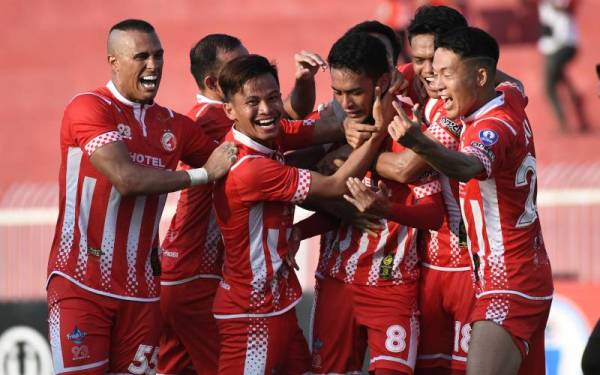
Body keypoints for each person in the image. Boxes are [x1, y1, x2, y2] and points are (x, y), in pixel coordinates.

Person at [45, 19, 236, 374]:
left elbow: (236, 170)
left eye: (159, 56)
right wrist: (202, 174)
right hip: (80, 284)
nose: (153, 65)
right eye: (142, 57)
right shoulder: (88, 107)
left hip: (143, 294)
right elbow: (126, 179)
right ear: (114, 62)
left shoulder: (174, 125)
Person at [385, 26, 553, 375]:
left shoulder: (492, 125)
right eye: (434, 71)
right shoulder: (508, 94)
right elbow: (507, 78)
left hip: (507, 282)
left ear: (479, 76)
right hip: (527, 276)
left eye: (448, 74)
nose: (438, 82)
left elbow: (470, 165)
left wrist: (419, 143)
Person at [212, 53, 395, 374]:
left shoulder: (264, 136)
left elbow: (320, 130)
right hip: (251, 316)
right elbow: (337, 185)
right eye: (252, 102)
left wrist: (349, 123)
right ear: (230, 110)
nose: (267, 110)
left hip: (278, 305)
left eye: (272, 98)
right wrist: (380, 129)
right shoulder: (252, 168)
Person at [157, 33, 327, 375]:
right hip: (200, 276)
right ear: (215, 85)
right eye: (237, 67)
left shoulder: (232, 114)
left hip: (183, 273)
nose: (248, 74)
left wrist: (303, 82)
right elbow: (287, 118)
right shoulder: (215, 118)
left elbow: (287, 117)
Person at [538, 0, 589, 132]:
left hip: (563, 46)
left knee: (549, 87)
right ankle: (579, 109)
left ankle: (563, 124)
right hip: (556, 47)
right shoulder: (546, 6)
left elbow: (565, 7)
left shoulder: (561, 7)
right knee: (561, 80)